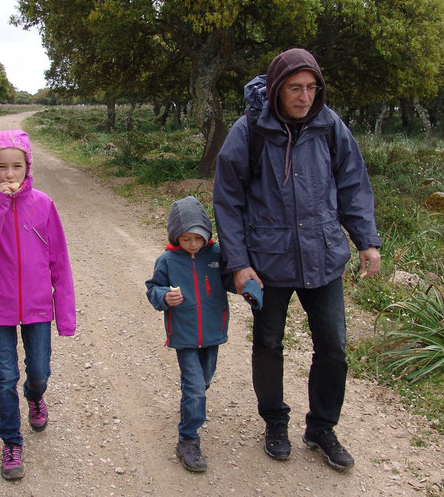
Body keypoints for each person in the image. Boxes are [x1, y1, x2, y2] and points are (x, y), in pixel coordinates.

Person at [213, 48, 381, 471]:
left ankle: (321, 427)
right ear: (276, 89)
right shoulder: (250, 130)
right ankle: (274, 422)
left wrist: (367, 241)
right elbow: (228, 200)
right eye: (295, 88)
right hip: (266, 263)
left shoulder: (329, 126)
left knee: (334, 348)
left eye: (311, 87)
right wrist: (238, 263)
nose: (305, 96)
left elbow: (353, 183)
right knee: (268, 343)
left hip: (323, 257)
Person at [0, 129, 76, 481]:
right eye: (1, 168)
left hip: (38, 307)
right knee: (5, 376)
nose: (9, 174)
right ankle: (11, 442)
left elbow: (60, 260)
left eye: (17, 166)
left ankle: (35, 395)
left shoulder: (43, 204)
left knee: (39, 370)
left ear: (28, 166)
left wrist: (65, 314)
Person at [145, 196, 235, 473]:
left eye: (197, 238)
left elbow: (231, 281)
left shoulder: (217, 255)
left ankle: (191, 403)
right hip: (184, 334)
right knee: (195, 387)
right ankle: (188, 438)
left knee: (204, 380)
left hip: (212, 332)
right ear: (176, 238)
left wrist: (248, 285)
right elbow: (153, 288)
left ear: (206, 234)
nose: (192, 244)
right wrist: (163, 297)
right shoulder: (168, 260)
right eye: (185, 239)